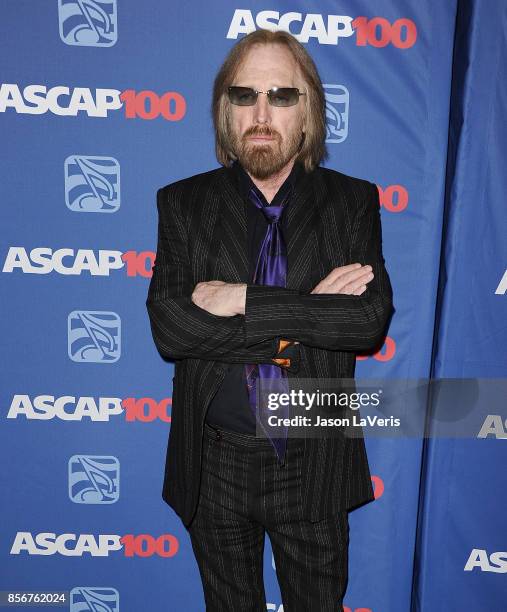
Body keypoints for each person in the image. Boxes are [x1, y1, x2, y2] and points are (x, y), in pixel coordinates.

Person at [146, 28, 393, 611]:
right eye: (244, 96)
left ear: (308, 114)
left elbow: (365, 322)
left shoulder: (353, 202)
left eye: (282, 96)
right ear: (224, 114)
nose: (262, 114)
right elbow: (171, 328)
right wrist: (305, 312)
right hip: (213, 464)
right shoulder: (182, 203)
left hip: (314, 461)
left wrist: (243, 299)